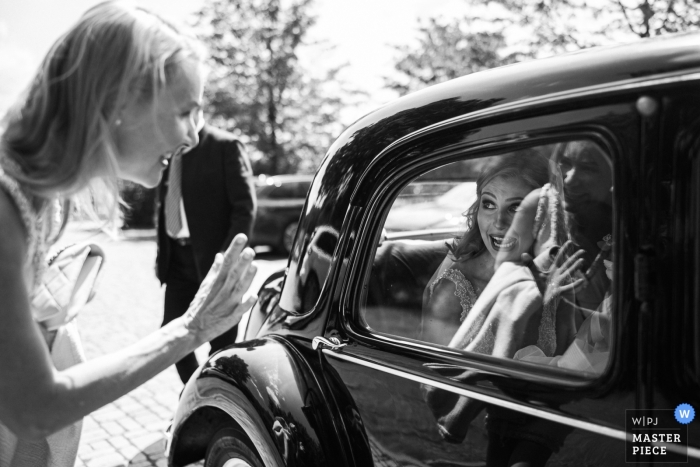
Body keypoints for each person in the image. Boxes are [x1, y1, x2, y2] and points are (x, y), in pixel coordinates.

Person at [0, 3, 257, 466]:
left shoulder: (41, 200)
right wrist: (190, 329)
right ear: (117, 101)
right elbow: (34, 410)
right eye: (185, 111)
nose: (195, 136)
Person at [155, 117, 256, 384]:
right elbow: (164, 206)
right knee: (170, 334)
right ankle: (196, 392)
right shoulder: (171, 150)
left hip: (216, 263)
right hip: (177, 262)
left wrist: (226, 262)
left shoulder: (226, 146)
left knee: (221, 343)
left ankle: (217, 400)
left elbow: (244, 208)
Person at [420, 153, 551, 347]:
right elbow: (434, 370)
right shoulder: (454, 290)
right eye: (489, 204)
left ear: (543, 213)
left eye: (515, 208)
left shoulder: (560, 275)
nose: (498, 222)